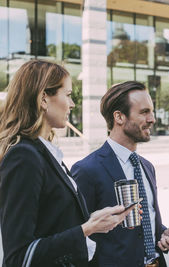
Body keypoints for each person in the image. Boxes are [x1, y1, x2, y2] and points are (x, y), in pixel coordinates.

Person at [0, 60, 135, 267]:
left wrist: (94, 220)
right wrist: (86, 229)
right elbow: (19, 257)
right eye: (68, 95)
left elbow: (52, 223)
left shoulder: (46, 153)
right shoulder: (24, 157)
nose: (72, 104)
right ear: (44, 98)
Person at [71, 81, 169, 267]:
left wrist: (163, 234)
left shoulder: (147, 167)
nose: (152, 119)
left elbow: (146, 224)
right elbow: (77, 237)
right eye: (144, 112)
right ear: (119, 117)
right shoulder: (87, 170)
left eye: (152, 112)